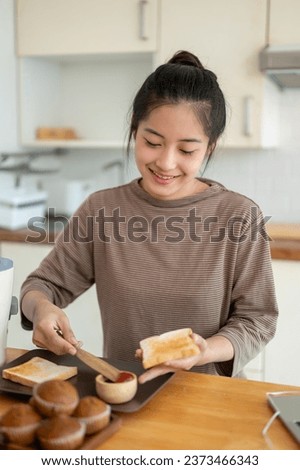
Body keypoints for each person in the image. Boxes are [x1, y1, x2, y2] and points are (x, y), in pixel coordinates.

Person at [20, 50, 278, 384]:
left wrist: (205, 351)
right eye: (152, 142)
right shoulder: (102, 211)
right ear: (134, 131)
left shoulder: (239, 216)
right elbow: (41, 286)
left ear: (209, 148)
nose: (167, 163)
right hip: (129, 393)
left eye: (187, 150)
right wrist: (41, 309)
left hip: (212, 396)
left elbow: (258, 319)